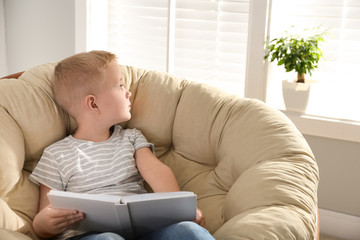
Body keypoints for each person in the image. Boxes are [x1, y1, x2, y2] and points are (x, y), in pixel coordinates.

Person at [29, 51, 215, 240]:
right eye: (120, 86)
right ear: (93, 104)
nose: (128, 93)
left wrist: (180, 208)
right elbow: (45, 216)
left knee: (188, 231)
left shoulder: (131, 138)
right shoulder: (56, 154)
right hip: (90, 236)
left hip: (144, 232)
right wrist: (43, 224)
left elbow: (156, 171)